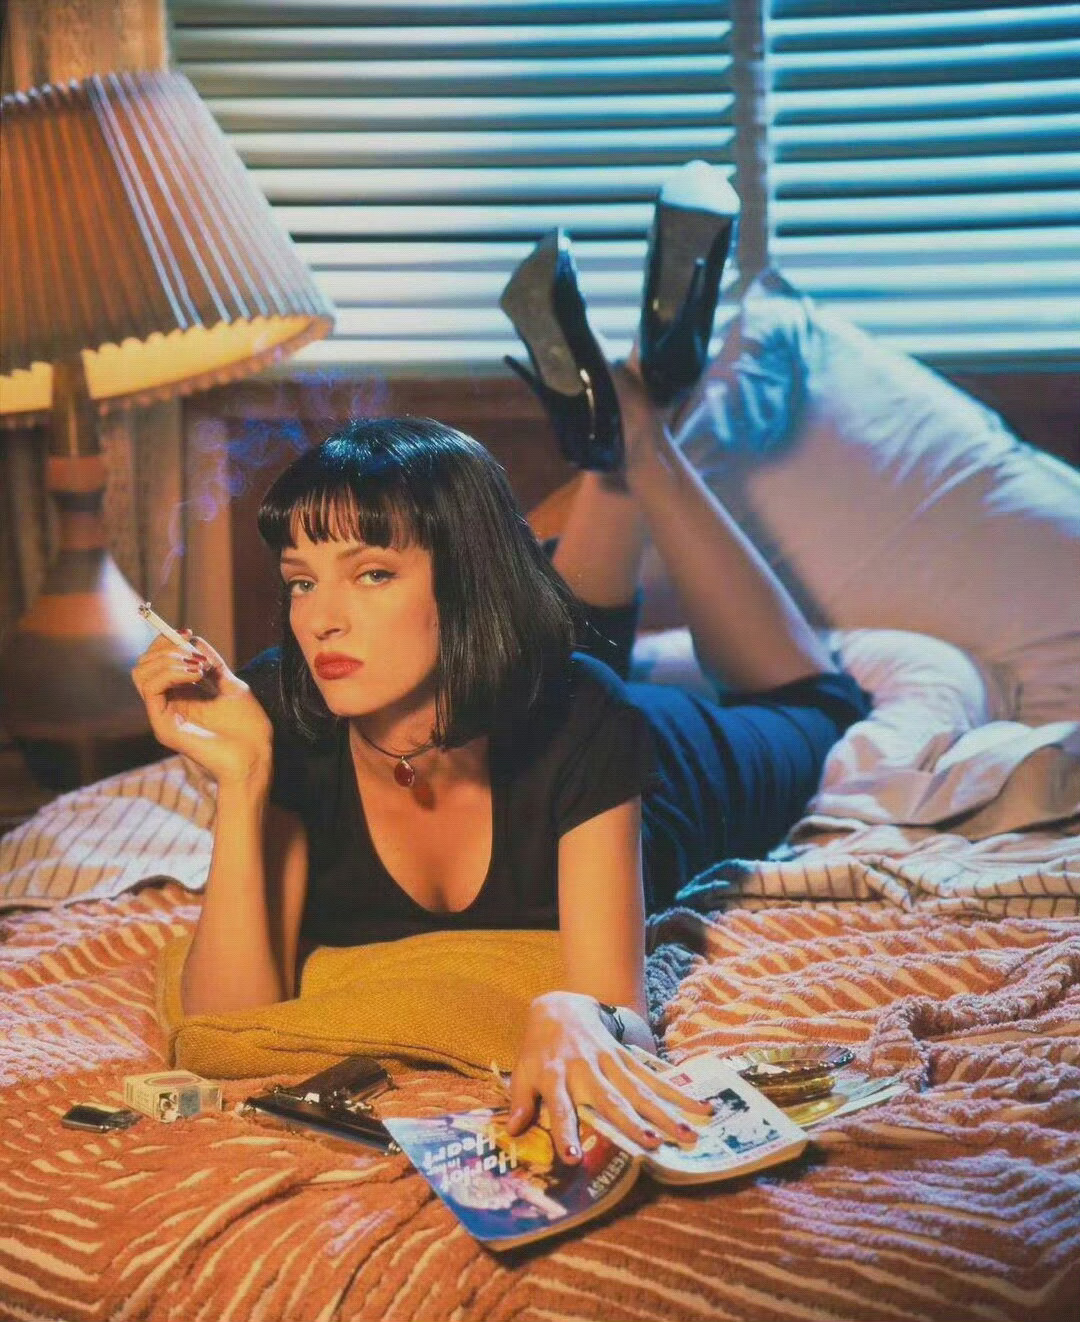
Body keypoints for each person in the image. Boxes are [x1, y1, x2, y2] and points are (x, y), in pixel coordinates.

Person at [132, 182, 870, 1164]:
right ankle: (610, 438)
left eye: (372, 572)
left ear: (465, 583)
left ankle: (641, 435)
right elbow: (228, 1032)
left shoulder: (586, 718)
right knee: (577, 634)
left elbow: (613, 1007)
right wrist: (241, 781)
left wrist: (572, 1010)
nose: (321, 618)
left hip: (660, 762)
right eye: (302, 581)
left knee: (821, 703)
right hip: (514, 666)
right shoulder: (284, 713)